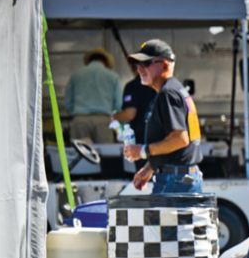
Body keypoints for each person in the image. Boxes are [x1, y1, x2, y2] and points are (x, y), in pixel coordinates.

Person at [122, 39, 204, 194]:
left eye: (146, 64)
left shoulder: (168, 93)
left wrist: (141, 151)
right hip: (180, 179)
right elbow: (173, 140)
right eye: (137, 65)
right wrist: (150, 167)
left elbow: (180, 139)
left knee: (162, 219)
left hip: (175, 181)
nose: (139, 69)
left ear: (165, 65)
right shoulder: (174, 89)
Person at [65, 48, 122, 144]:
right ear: (106, 62)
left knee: (81, 155)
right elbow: (118, 104)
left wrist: (75, 113)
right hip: (103, 120)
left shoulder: (76, 75)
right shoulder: (113, 76)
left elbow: (68, 102)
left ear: (89, 60)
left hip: (80, 119)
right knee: (105, 155)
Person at [113, 57, 157, 171]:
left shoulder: (132, 86)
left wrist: (113, 117)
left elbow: (129, 114)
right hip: (161, 140)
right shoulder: (160, 85)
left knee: (145, 178)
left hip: (141, 142)